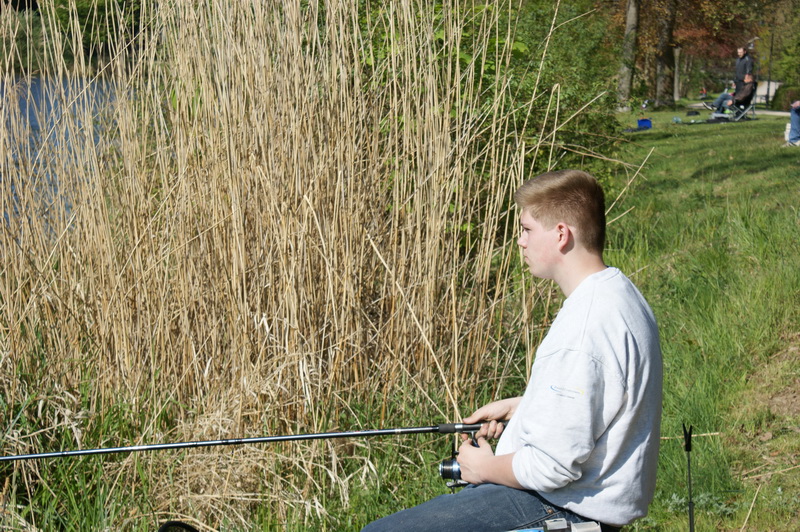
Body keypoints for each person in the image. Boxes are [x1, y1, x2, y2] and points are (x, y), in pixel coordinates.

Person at [362, 170, 663, 531]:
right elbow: (603, 395)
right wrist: (525, 405)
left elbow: (552, 467)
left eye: (527, 229)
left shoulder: (583, 328)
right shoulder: (618, 293)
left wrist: (483, 468)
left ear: (561, 234)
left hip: (567, 508)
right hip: (577, 500)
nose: (520, 241)